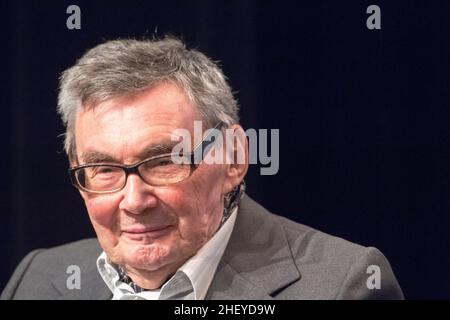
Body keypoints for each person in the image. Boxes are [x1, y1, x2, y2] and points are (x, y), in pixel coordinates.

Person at [1, 36, 403, 300]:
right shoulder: (38, 280)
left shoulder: (342, 286)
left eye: (163, 162)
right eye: (103, 169)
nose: (134, 201)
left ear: (234, 158)